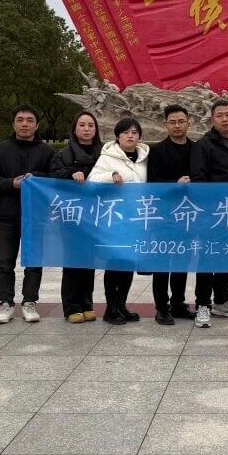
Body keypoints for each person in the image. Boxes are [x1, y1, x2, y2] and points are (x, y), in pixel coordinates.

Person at [0, 104, 57, 325]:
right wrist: (11, 183)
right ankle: (6, 303)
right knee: (4, 262)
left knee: (34, 262)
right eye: (20, 120)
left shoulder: (47, 152)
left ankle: (29, 302)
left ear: (37, 125)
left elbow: (55, 179)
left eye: (29, 120)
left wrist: (37, 177)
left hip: (35, 217)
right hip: (6, 215)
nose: (25, 124)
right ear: (13, 123)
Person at [188, 99, 228, 328]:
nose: (224, 119)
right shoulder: (204, 145)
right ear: (212, 119)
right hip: (212, 214)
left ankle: (221, 300)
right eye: (220, 115)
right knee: (208, 258)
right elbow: (199, 179)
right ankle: (203, 304)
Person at [88, 117, 150, 324]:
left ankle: (121, 305)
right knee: (114, 263)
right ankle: (111, 308)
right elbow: (91, 181)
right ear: (118, 136)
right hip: (114, 219)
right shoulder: (107, 157)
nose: (130, 136)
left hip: (137, 218)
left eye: (134, 132)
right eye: (125, 132)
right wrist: (110, 175)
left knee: (128, 262)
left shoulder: (144, 157)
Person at [49, 111, 103, 324]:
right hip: (71, 214)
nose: (87, 129)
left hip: (96, 214)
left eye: (91, 125)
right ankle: (71, 306)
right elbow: (53, 176)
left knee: (89, 259)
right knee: (72, 260)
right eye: (82, 125)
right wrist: (71, 172)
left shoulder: (104, 154)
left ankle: (86, 304)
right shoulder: (63, 155)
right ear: (74, 128)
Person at [147, 104, 195, 326]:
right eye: (172, 122)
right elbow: (152, 183)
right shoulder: (157, 151)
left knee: (182, 262)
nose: (177, 126)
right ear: (166, 124)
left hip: (188, 215)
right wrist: (174, 184)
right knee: (162, 263)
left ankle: (178, 303)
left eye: (181, 121)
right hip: (164, 215)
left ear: (188, 123)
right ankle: (161, 307)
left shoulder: (197, 149)